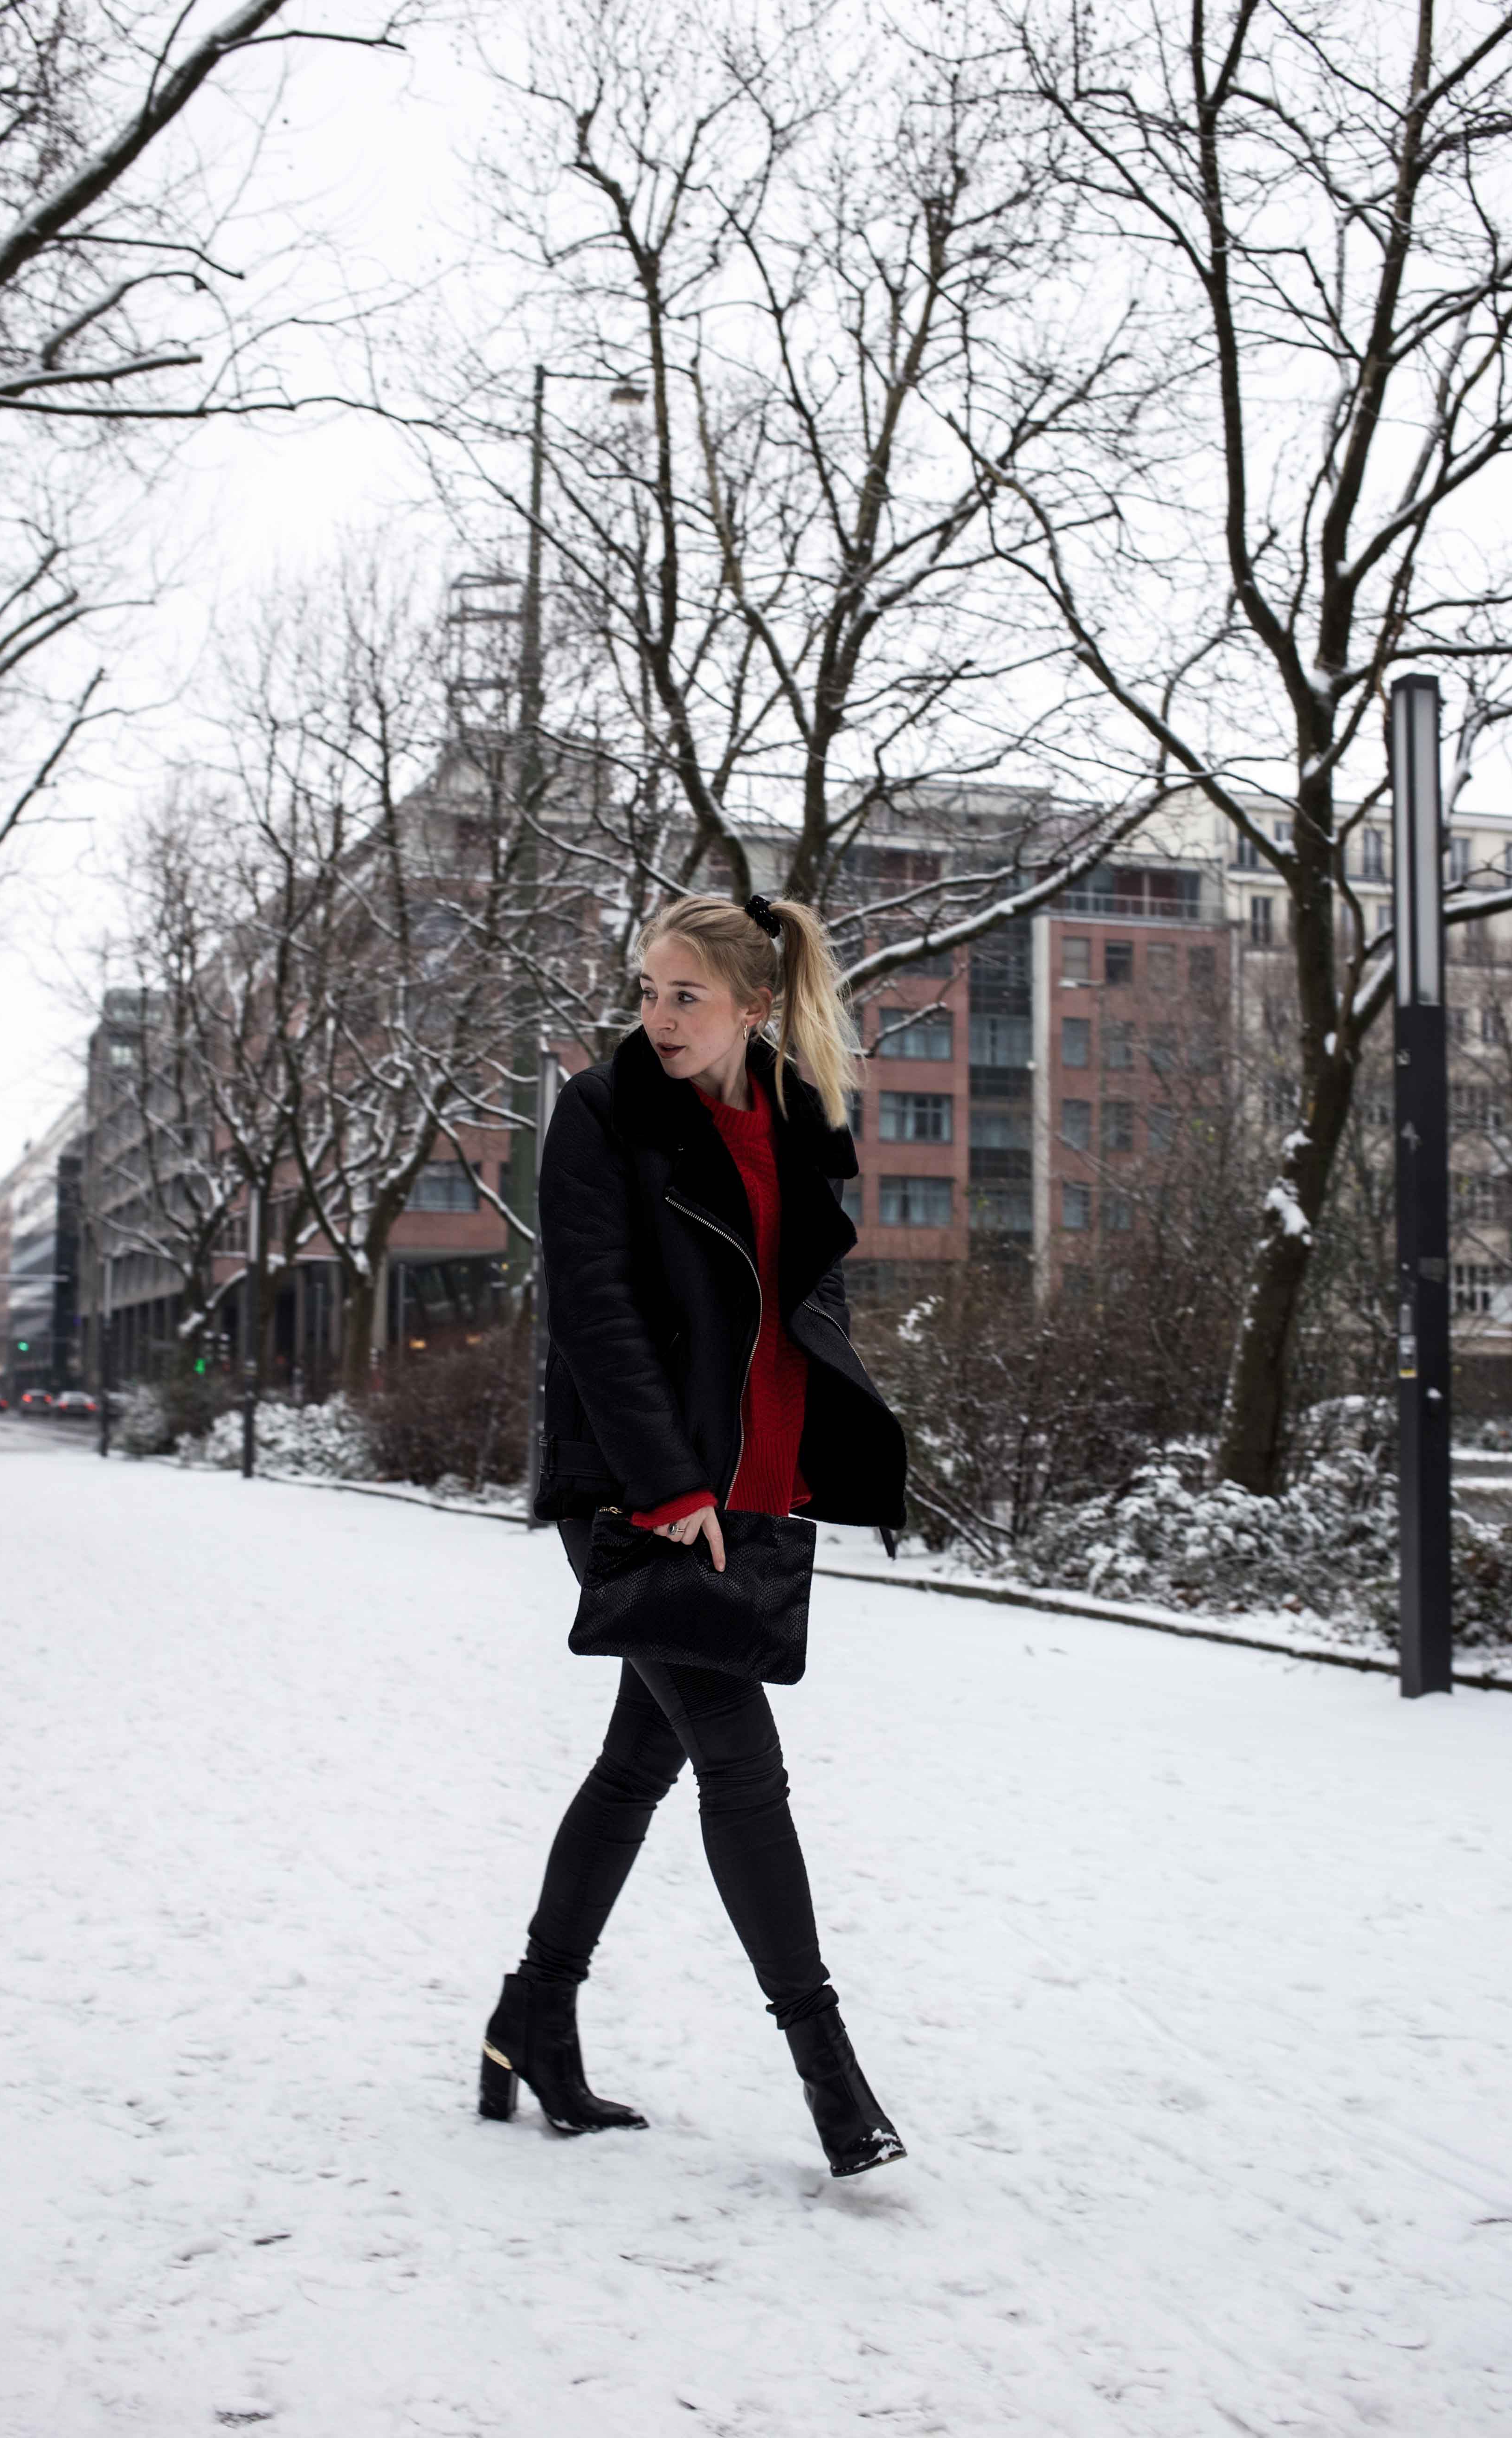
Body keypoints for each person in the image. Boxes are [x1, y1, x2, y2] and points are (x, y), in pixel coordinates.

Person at [480, 892, 911, 2178]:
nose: (659, 1018)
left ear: (754, 1005)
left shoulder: (801, 1112)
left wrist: (826, 1446)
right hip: (643, 1490)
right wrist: (667, 1489)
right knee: (743, 1762)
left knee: (641, 1762)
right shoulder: (606, 1115)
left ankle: (531, 2016)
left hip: (756, 1487)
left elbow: (808, 1298)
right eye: (649, 991)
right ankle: (833, 2081)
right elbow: (598, 1315)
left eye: (687, 996)